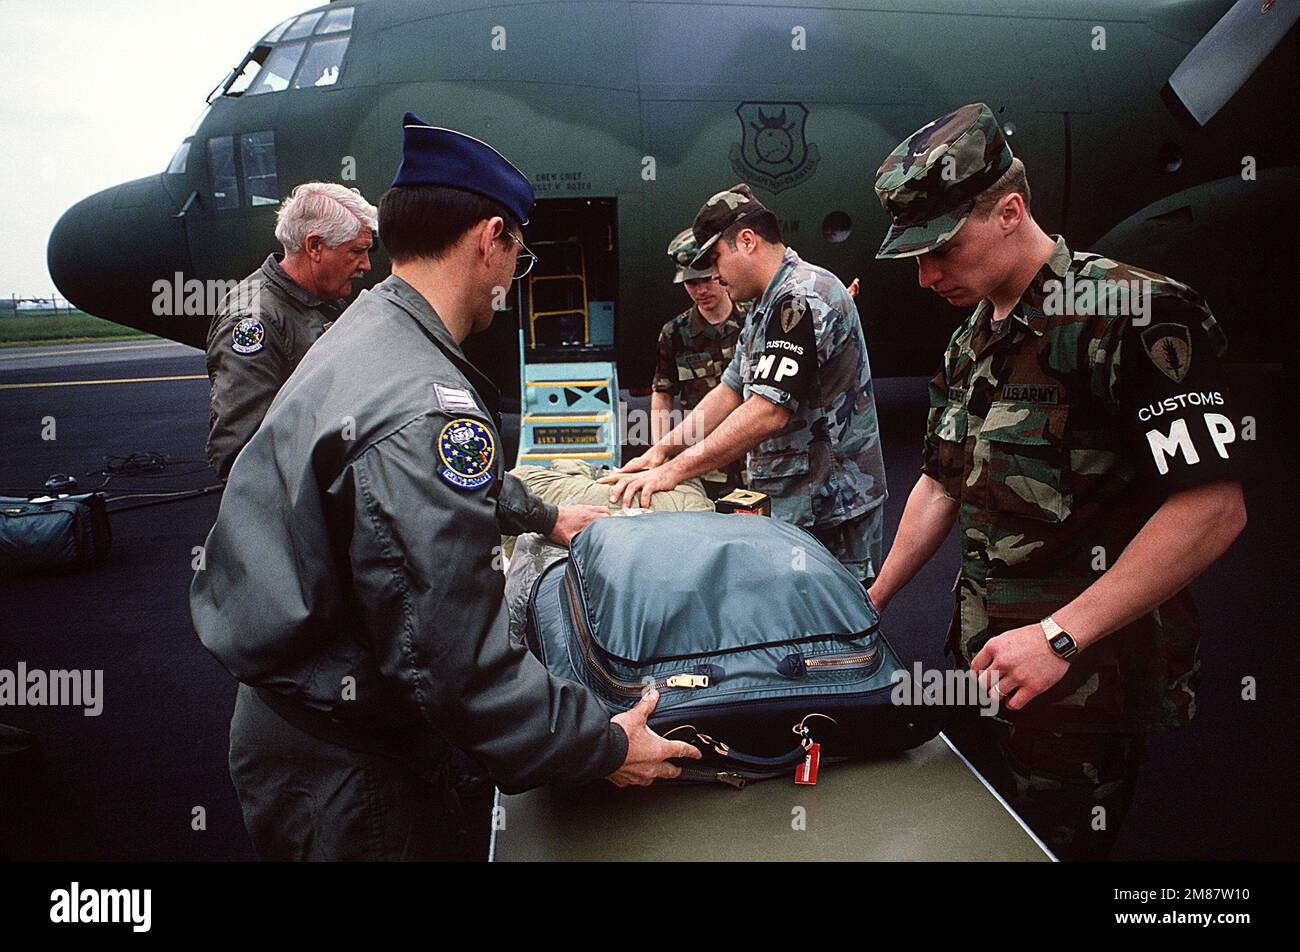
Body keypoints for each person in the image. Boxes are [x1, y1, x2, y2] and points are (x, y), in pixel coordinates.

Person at [190, 113, 699, 861]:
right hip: (352, 769)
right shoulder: (422, 405)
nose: (510, 279)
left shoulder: (367, 332)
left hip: (308, 721)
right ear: (491, 237)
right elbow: (448, 661)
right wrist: (599, 745)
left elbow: (385, 493)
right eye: (517, 255)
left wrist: (541, 516)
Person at [865, 103, 1247, 859]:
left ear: (1010, 211)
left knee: (1055, 845)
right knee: (982, 834)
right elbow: (941, 483)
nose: (925, 275)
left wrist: (1060, 636)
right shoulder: (971, 338)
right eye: (913, 255)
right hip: (983, 658)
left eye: (942, 248)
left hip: (1081, 679)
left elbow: (1212, 507)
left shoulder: (1132, 315)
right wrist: (872, 597)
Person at [601, 184, 887, 584]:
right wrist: (662, 451)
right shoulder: (765, 307)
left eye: (715, 260)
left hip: (831, 511)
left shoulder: (802, 297)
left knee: (837, 634)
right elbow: (730, 391)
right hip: (795, 504)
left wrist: (675, 471)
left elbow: (767, 410)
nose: (713, 276)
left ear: (747, 241)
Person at [204, 182, 377, 481]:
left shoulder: (324, 297)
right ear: (314, 247)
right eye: (357, 251)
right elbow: (238, 455)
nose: (366, 264)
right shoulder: (253, 322)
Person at [650, 228, 749, 499]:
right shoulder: (674, 333)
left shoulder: (754, 320)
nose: (701, 290)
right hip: (703, 463)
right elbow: (662, 394)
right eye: (692, 284)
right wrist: (662, 450)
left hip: (754, 457)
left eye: (706, 280)